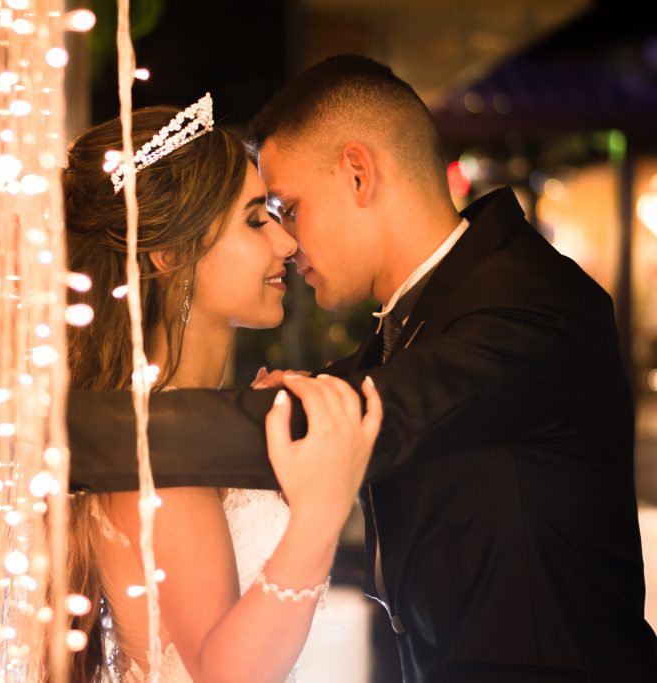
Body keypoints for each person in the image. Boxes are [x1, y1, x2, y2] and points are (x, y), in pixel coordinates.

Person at [66, 56, 657, 682]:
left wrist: (58, 427)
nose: (288, 242)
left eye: (286, 208)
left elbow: (358, 418)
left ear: (357, 174)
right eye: (261, 217)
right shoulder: (419, 322)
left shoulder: (530, 310)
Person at [53, 97, 382, 682]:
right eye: (257, 220)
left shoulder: (182, 423)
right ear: (170, 253)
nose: (287, 243)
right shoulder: (160, 442)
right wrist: (322, 507)